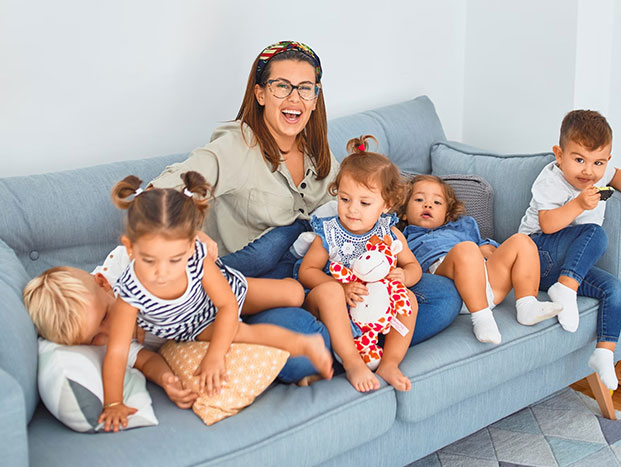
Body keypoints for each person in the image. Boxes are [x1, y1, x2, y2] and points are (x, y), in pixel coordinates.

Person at [148, 40, 463, 382]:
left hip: (327, 274)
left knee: (443, 296)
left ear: (315, 98)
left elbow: (363, 205)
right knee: (302, 350)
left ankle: (353, 344)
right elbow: (155, 195)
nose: (294, 98)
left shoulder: (317, 150)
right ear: (260, 94)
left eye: (305, 88)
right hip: (262, 284)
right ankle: (350, 345)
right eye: (281, 86)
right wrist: (191, 233)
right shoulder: (233, 148)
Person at [100, 171, 332, 432]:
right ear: (129, 248)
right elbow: (117, 352)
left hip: (223, 298)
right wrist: (112, 403)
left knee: (293, 294)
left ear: (189, 248)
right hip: (194, 327)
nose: (162, 273)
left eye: (174, 260)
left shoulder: (197, 258)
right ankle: (304, 343)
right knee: (243, 332)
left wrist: (216, 354)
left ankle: (301, 272)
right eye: (149, 260)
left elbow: (227, 305)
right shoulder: (129, 295)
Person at [518, 109, 621, 390]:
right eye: (578, 160)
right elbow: (548, 224)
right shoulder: (550, 180)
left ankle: (604, 353)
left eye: (597, 162)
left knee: (614, 288)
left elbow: (619, 176)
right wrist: (578, 204)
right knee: (595, 232)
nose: (588, 171)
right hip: (535, 257)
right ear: (559, 154)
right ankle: (565, 289)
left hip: (567, 265)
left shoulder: (599, 175)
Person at [298, 136, 420, 393]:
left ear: (386, 205)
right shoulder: (330, 233)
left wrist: (404, 276)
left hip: (371, 308)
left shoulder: (390, 234)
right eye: (345, 199)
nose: (352, 210)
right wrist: (339, 287)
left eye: (364, 203)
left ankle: (390, 362)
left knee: (408, 298)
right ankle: (353, 362)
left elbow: (413, 266)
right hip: (330, 302)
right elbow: (306, 272)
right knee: (330, 292)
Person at [399, 175, 562, 345]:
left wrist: (488, 249)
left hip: (487, 283)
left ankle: (527, 305)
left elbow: (486, 246)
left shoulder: (463, 226)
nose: (428, 205)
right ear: (403, 212)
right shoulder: (403, 237)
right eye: (419, 199)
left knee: (522, 241)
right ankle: (482, 319)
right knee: (466, 249)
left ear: (447, 214)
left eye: (437, 202)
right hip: (450, 287)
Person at [23, 263, 197, 410]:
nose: (110, 331)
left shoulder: (124, 268)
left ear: (103, 283)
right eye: (93, 338)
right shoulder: (106, 347)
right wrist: (166, 379)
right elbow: (146, 361)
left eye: (105, 316)